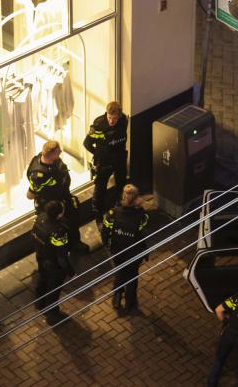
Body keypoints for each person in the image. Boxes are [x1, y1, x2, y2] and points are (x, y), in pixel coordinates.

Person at [26, 140, 90, 253]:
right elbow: (30, 195)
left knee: (73, 220)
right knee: (58, 229)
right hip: (52, 206)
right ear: (50, 154)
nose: (60, 152)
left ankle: (75, 243)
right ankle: (60, 253)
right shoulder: (39, 175)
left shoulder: (53, 161)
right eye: (58, 152)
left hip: (64, 198)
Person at [101, 184, 149, 316]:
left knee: (120, 272)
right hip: (134, 252)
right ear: (136, 198)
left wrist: (108, 245)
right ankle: (130, 302)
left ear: (123, 196)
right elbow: (143, 232)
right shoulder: (142, 215)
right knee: (132, 276)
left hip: (118, 250)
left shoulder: (113, 213)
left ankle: (117, 297)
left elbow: (105, 231)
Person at [32, 200, 74, 326]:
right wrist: (70, 271)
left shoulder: (39, 218)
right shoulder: (58, 231)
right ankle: (52, 314)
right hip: (53, 264)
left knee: (42, 279)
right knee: (54, 289)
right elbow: (61, 255)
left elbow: (33, 236)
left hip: (41, 256)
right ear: (59, 215)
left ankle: (40, 303)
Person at [84, 101, 128, 219]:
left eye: (114, 118)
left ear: (119, 116)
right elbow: (87, 143)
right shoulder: (99, 124)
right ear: (106, 114)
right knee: (100, 188)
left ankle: (120, 207)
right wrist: (97, 154)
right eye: (109, 117)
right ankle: (97, 213)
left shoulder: (124, 120)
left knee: (121, 184)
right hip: (104, 161)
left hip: (119, 158)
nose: (111, 121)